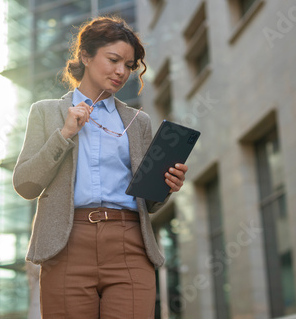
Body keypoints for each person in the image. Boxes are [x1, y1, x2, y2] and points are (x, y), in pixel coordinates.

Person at [13, 16, 188, 318]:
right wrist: (65, 134)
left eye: (129, 65)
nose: (121, 71)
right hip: (66, 244)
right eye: (113, 60)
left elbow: (151, 203)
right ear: (85, 56)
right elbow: (25, 185)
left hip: (130, 243)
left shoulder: (138, 121)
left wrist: (167, 185)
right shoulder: (46, 113)